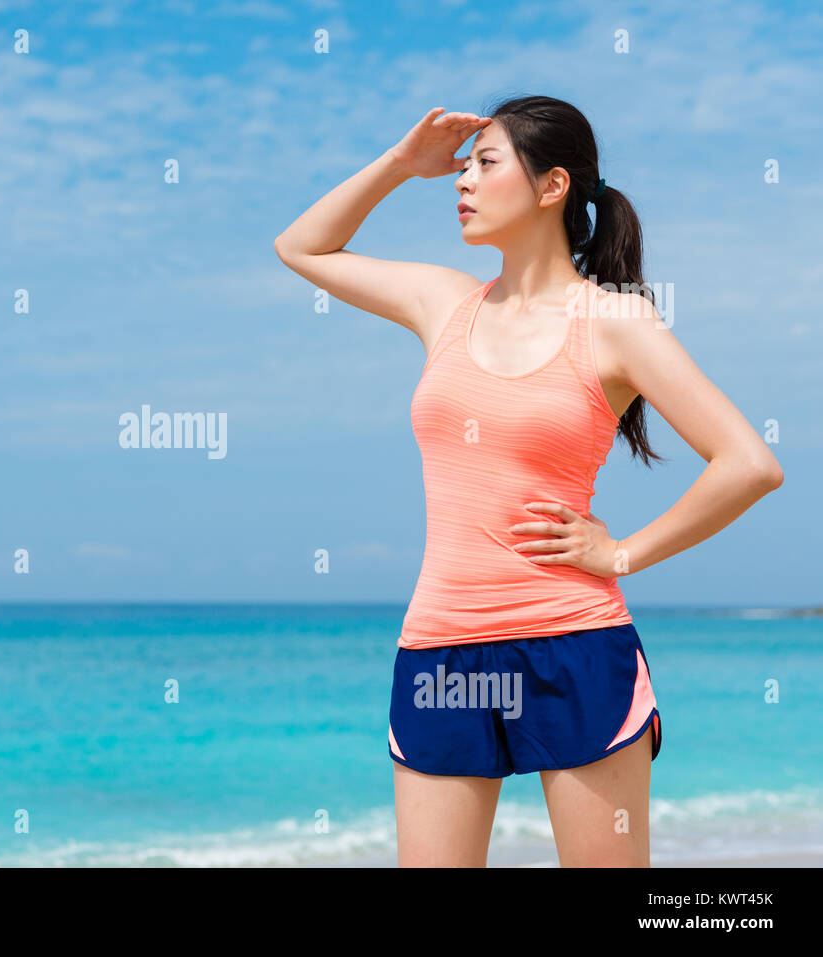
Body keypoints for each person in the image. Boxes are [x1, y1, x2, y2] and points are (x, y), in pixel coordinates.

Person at [273, 95, 784, 867]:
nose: (462, 182)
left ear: (552, 187)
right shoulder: (443, 302)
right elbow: (303, 247)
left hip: (572, 645)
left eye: (485, 163)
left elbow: (750, 462)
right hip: (440, 649)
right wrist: (397, 166)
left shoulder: (614, 322)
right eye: (463, 166)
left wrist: (622, 554)